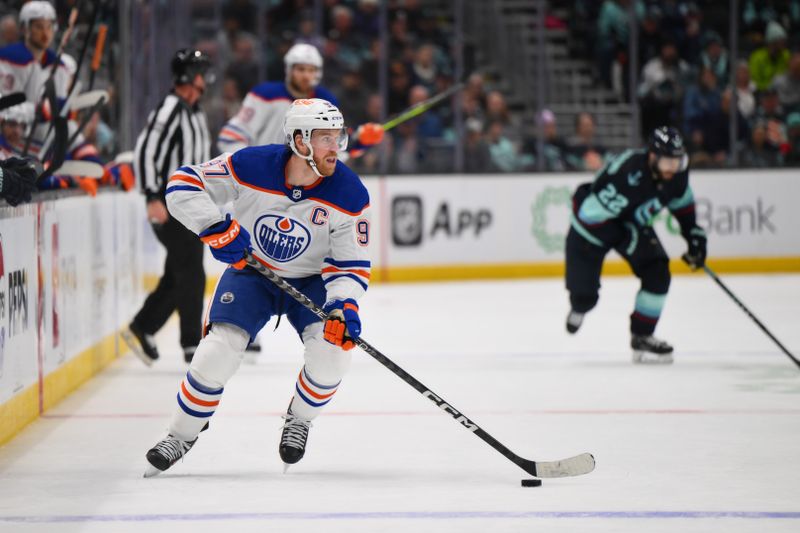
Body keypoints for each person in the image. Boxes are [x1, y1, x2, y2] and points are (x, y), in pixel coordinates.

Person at [143, 98, 370, 477]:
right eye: (325, 138)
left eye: (338, 137)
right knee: (216, 352)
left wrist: (343, 305)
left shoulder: (349, 192)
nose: (337, 147)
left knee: (333, 356)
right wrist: (214, 228)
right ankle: (181, 434)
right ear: (299, 140)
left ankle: (299, 419)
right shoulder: (251, 164)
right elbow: (182, 185)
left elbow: (349, 263)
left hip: (312, 281)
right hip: (252, 274)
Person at [564, 127, 707, 364]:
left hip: (629, 224)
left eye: (677, 162)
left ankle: (643, 336)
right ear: (652, 156)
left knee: (658, 272)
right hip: (590, 228)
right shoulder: (626, 173)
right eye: (667, 163)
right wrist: (627, 235)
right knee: (585, 299)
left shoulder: (676, 173)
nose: (673, 169)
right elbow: (589, 216)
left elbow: (682, 203)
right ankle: (579, 307)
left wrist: (695, 237)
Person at [122, 49, 212, 366]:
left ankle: (144, 326)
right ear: (188, 75)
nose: (205, 78)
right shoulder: (171, 108)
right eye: (200, 71)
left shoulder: (194, 111)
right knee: (190, 270)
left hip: (189, 203)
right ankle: (191, 344)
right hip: (169, 200)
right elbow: (146, 151)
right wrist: (151, 195)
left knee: (180, 270)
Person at [217, 43, 383, 156]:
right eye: (301, 69)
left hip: (304, 183)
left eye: (311, 70)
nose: (306, 75)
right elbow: (232, 136)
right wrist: (248, 165)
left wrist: (360, 140)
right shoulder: (265, 94)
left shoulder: (326, 101)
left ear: (318, 73)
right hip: (262, 180)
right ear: (289, 70)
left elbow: (335, 148)